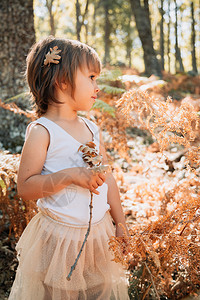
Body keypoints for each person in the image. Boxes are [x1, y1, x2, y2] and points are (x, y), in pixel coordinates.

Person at [9, 36, 129, 300]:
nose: (97, 86)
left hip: (99, 234)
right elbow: (26, 187)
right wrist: (70, 176)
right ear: (62, 81)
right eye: (91, 77)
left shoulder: (92, 129)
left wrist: (120, 223)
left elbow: (107, 179)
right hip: (59, 240)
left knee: (100, 289)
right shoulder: (43, 132)